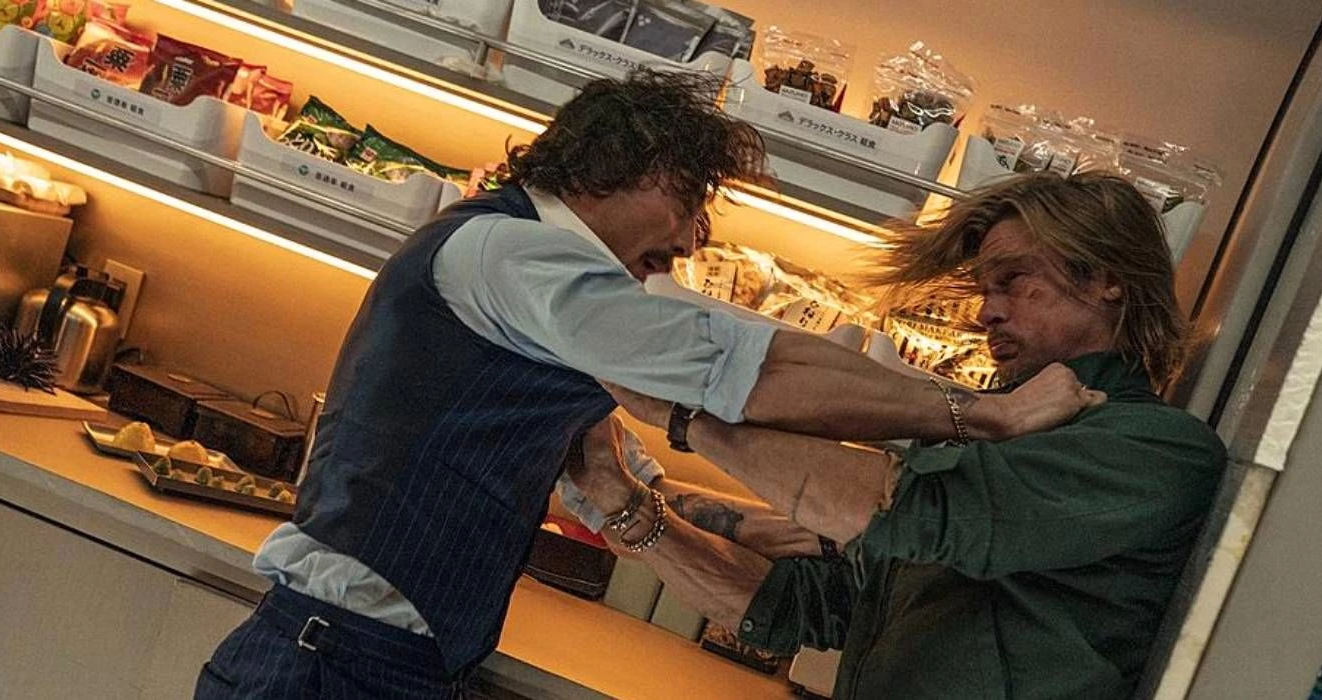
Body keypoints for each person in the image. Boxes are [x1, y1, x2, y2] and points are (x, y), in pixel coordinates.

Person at [195, 72, 1097, 698]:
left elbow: (594, 472)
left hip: (364, 660)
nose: (693, 242)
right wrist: (980, 415)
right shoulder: (514, 254)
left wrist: (745, 523)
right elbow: (751, 368)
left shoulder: (546, 293)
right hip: (332, 664)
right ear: (632, 170)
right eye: (691, 204)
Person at [572, 172, 1228, 699]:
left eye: (1014, 281)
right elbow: (809, 607)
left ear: (1108, 279)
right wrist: (619, 496)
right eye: (984, 289)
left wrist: (686, 416)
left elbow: (900, 509)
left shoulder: (1153, 451)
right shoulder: (990, 438)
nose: (988, 311)